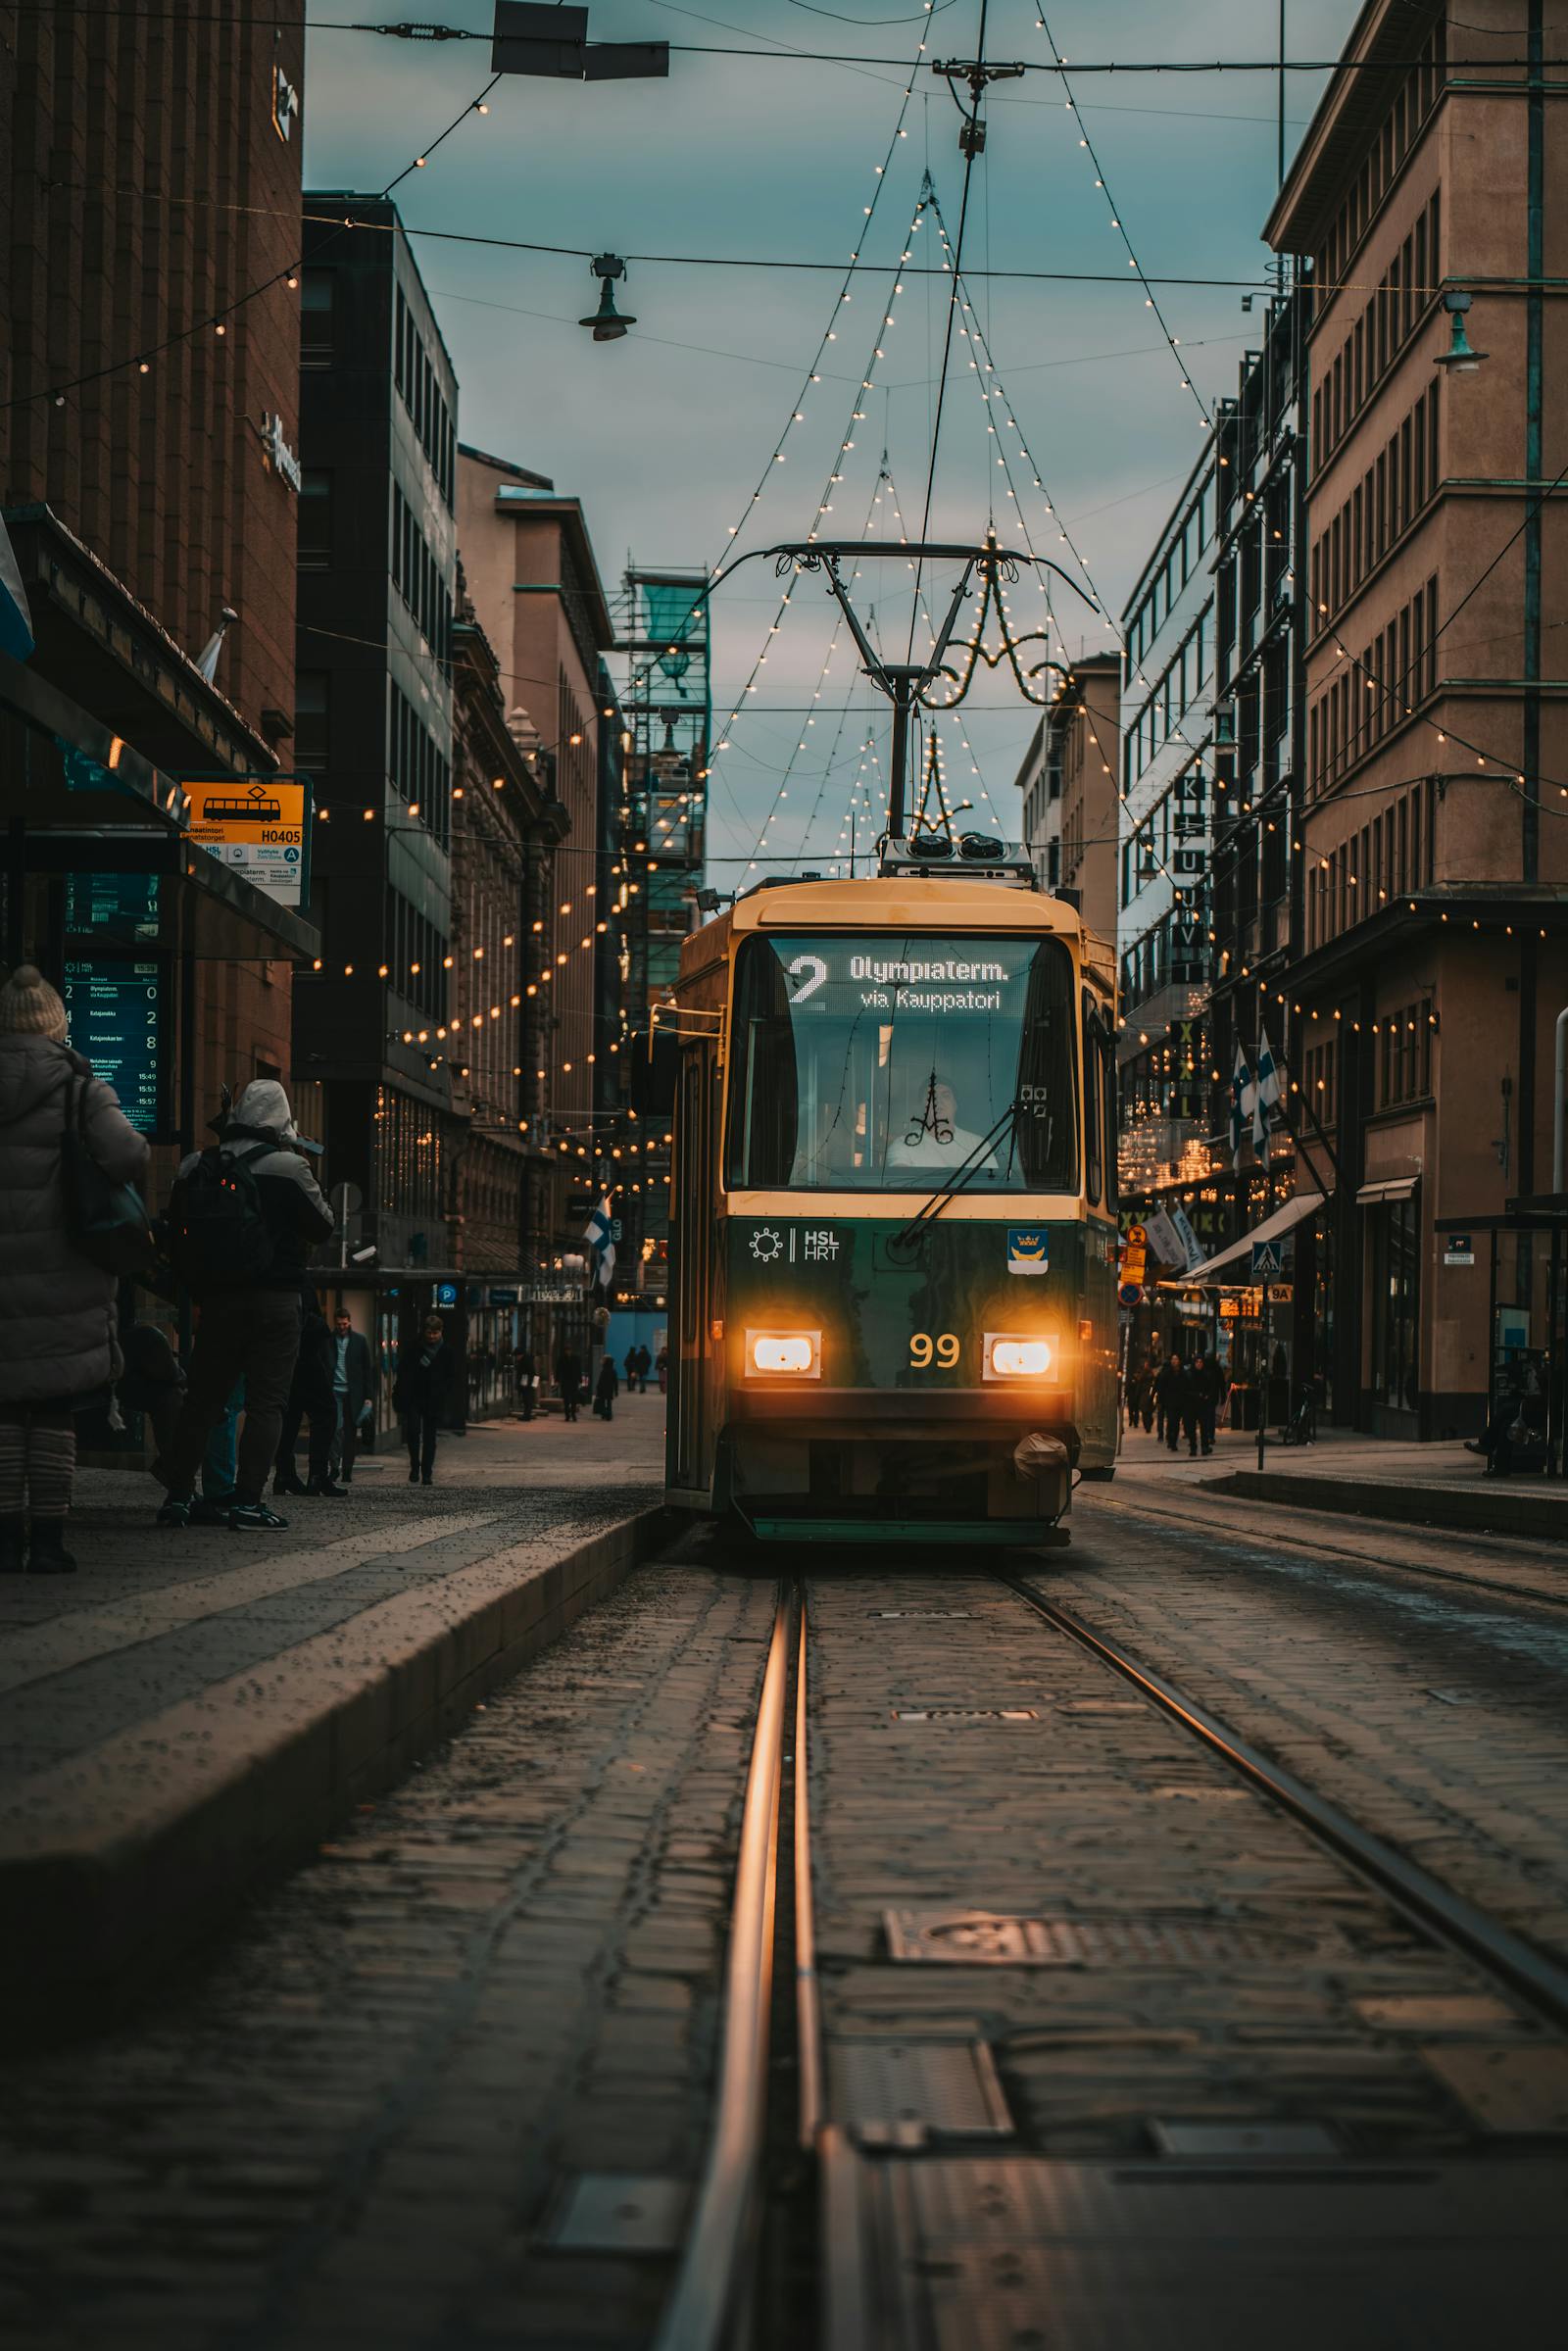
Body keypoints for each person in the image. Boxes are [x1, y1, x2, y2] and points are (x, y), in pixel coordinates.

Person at [0, 963, 150, 1574]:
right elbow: (130, 1155)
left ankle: (5, 1540)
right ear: (56, 1025)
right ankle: (48, 1540)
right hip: (64, 1269)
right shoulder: (79, 1085)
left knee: (5, 1412)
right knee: (54, 1410)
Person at [156, 1079, 334, 1531]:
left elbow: (174, 1231)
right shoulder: (289, 1167)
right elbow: (323, 1227)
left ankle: (178, 1498)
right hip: (276, 1301)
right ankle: (249, 1502)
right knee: (267, 1404)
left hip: (216, 1301)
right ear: (280, 1119)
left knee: (203, 1401)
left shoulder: (196, 1164)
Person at [275, 1289, 340, 1496]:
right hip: (303, 1354)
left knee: (291, 1414)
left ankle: (285, 1473)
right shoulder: (296, 1275)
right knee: (326, 1411)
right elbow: (302, 1315)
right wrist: (319, 1326)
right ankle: (317, 1475)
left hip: (287, 1354)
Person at [884, 1080, 999, 1177]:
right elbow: (903, 1188)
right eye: (931, 1096)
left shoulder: (979, 1145)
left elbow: (993, 1185)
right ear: (922, 1107)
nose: (938, 1101)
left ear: (955, 1105)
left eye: (946, 1096)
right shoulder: (903, 1145)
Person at [395, 1313, 453, 1486]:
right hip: (415, 1397)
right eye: (429, 1333)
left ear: (441, 1332)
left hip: (434, 1399)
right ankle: (414, 1465)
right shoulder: (414, 1347)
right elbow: (403, 1369)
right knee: (413, 1431)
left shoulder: (446, 1351)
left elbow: (451, 1375)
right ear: (424, 1332)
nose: (432, 1337)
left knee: (430, 1438)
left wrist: (443, 1391)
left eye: (435, 1333)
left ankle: (427, 1472)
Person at [328, 1306, 373, 1483]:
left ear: (349, 1322)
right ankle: (334, 1467)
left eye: (345, 1323)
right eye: (339, 1324)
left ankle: (347, 1469)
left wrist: (368, 1397)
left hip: (353, 1393)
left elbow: (367, 1370)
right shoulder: (329, 1340)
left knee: (350, 1432)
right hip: (335, 1391)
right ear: (335, 1322)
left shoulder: (359, 1341)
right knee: (335, 1430)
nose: (342, 1327)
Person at [1190, 1346, 1222, 1457]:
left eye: (1200, 1362)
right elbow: (1187, 1389)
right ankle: (1193, 1447)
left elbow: (1211, 1387)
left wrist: (1207, 1396)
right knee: (1192, 1427)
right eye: (1197, 1362)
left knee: (1204, 1426)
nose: (1199, 1364)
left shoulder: (1206, 1375)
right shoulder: (1190, 1375)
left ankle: (1204, 1446)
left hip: (1203, 1404)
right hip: (1193, 1404)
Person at [1154, 1351, 1188, 1453]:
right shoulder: (1166, 1373)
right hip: (1169, 1402)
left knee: (1176, 1422)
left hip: (1180, 1401)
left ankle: (1174, 1441)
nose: (1174, 1361)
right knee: (1171, 1421)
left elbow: (1186, 1387)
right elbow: (1161, 1388)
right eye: (1173, 1359)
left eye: (1176, 1359)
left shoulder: (1183, 1373)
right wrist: (1160, 1400)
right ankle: (1170, 1439)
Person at [557, 1341, 583, 1423]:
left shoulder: (576, 1358)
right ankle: (567, 1415)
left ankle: (573, 1414)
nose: (568, 1352)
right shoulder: (562, 1358)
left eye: (569, 1350)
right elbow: (558, 1370)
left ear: (571, 1350)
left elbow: (579, 1370)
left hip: (573, 1381)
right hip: (565, 1381)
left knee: (574, 1399)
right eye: (566, 1350)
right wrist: (557, 1380)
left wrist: (580, 1380)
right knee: (566, 1400)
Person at [515, 1344, 537, 1421]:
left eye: (517, 1356)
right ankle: (526, 1415)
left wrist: (521, 1386)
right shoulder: (526, 1360)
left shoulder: (525, 1361)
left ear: (520, 1355)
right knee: (528, 1400)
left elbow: (526, 1374)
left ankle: (526, 1416)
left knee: (527, 1400)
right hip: (530, 1382)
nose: (516, 1358)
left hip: (528, 1382)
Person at [595, 1354, 619, 1421]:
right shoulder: (613, 1371)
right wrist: (616, 1391)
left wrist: (598, 1388)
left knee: (602, 1402)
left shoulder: (604, 1370)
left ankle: (604, 1414)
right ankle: (609, 1415)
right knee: (609, 1403)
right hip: (610, 1389)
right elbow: (615, 1382)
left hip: (603, 1389)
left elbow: (600, 1381)